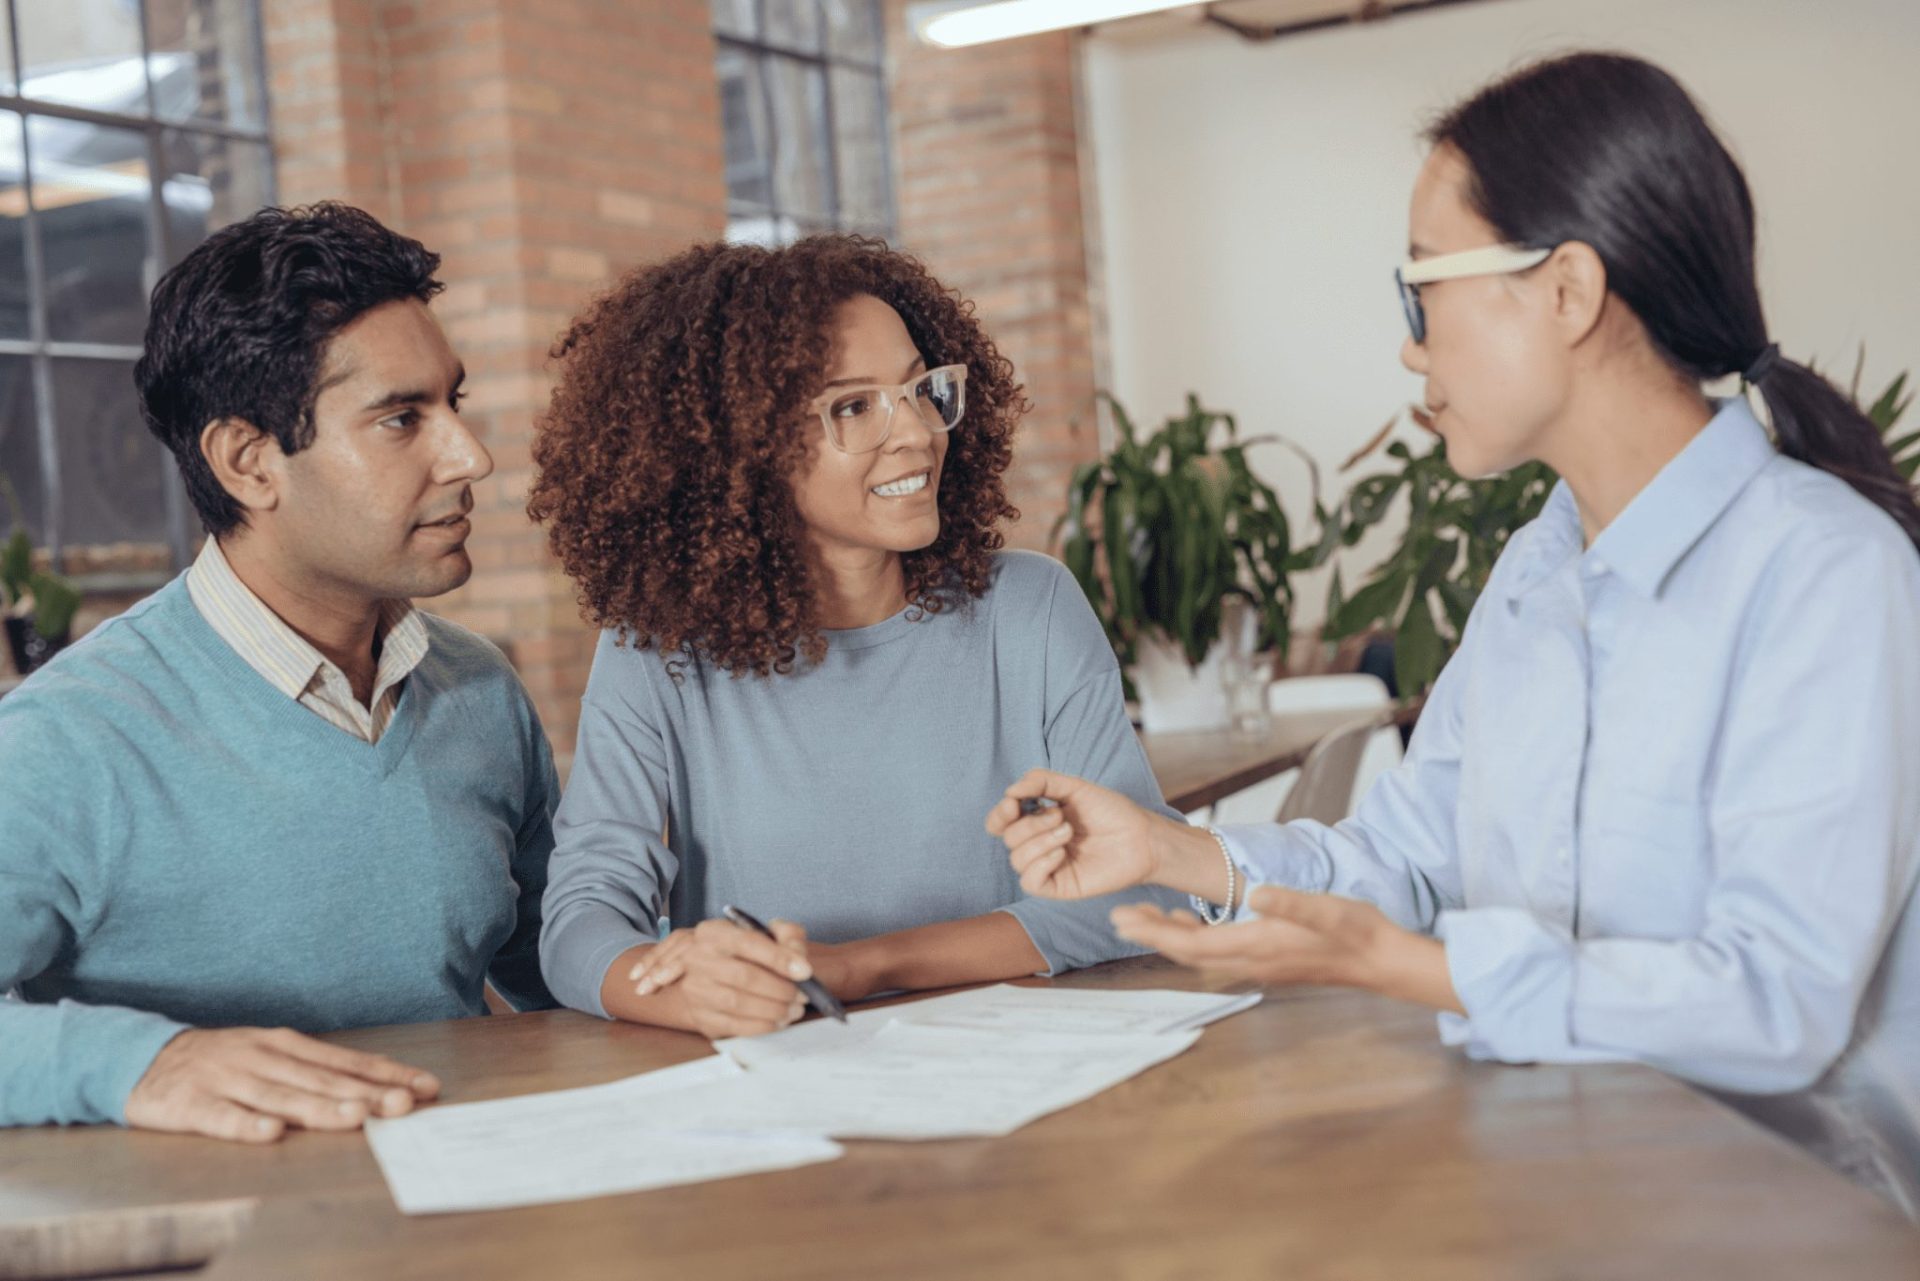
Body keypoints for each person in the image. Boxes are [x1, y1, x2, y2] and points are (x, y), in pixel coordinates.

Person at [988, 51, 1920, 1217]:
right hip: (1557, 1170)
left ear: (1569, 291)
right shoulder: (1538, 571)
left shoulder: (1826, 573)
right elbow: (1408, 858)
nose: (1410, 347)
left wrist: (1406, 969)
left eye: (1422, 288)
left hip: (1804, 1215)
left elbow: (1775, 1002)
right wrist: (1172, 852)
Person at [530, 235, 1182, 1040]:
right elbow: (580, 921)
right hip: (786, 1090)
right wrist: (678, 985)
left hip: (1026, 1070)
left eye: (919, 389)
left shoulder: (1031, 607)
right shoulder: (657, 650)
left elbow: (1144, 896)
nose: (914, 432)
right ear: (741, 452)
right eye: (853, 406)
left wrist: (860, 966)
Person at [0, 203, 558, 1143]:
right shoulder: (65, 739)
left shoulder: (480, 689)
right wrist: (144, 1061)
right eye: (399, 419)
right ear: (249, 462)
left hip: (476, 1197)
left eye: (451, 404)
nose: (471, 457)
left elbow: (563, 965)